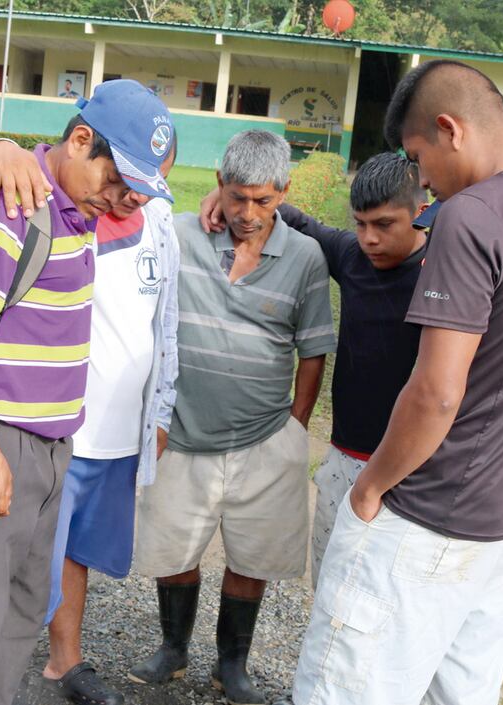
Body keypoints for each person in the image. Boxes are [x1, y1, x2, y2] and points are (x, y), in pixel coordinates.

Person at [291, 59, 503, 705]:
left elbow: (436, 391)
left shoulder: (469, 216)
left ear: (450, 129)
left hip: (425, 518)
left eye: (419, 157)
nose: (422, 179)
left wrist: (370, 487)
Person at [0, 79, 175, 705]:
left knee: (20, 613)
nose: (121, 201)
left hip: (54, 448)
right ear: (80, 140)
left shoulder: (78, 208)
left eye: (133, 191)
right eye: (116, 182)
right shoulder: (14, 205)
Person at [129, 129, 336, 705]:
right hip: (182, 436)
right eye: (238, 197)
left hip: (266, 442)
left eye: (263, 201)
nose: (248, 213)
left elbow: (312, 350)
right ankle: (173, 650)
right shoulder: (180, 236)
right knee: (173, 551)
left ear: (284, 193)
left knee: (252, 558)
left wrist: (294, 429)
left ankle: (232, 665)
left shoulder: (305, 258)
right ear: (219, 184)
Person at [198, 152, 432, 587]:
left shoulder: (445, 272)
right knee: (330, 581)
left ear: (421, 212)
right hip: (344, 458)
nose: (369, 239)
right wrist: (223, 193)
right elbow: (290, 213)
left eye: (384, 225)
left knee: (390, 591)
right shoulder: (351, 256)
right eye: (360, 224)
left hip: (413, 467)